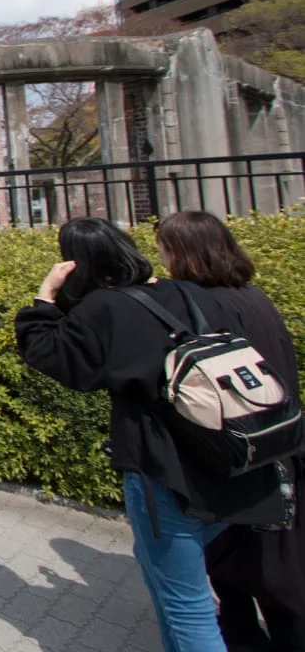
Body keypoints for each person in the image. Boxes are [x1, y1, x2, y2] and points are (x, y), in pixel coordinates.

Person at [15, 216, 290, 652]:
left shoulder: (103, 310)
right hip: (229, 454)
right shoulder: (182, 292)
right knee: (172, 580)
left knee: (187, 606)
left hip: (166, 468)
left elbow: (50, 353)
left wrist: (44, 296)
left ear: (74, 263)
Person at [154, 211, 304, 652]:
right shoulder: (254, 297)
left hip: (236, 449)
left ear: (183, 253)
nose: (160, 256)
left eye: (164, 247)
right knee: (275, 565)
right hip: (279, 441)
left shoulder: (197, 305)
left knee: (238, 562)